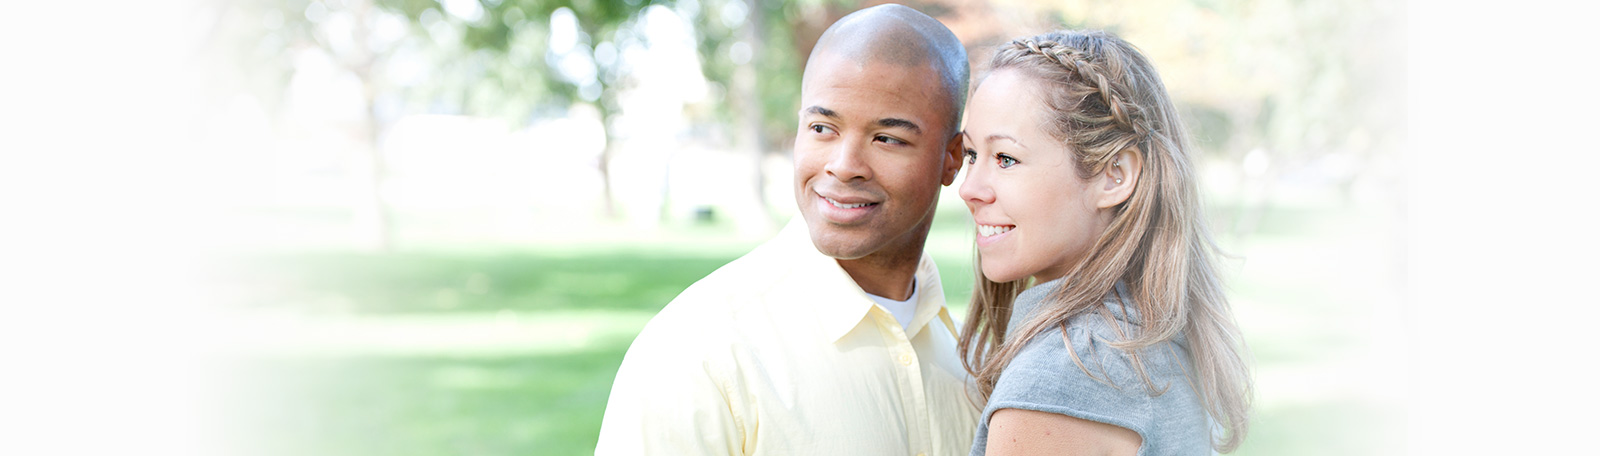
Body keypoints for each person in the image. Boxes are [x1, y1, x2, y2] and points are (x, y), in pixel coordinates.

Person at [595, 4, 978, 455]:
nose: (843, 165)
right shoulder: (699, 352)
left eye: (887, 138)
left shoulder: (970, 360)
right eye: (822, 127)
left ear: (951, 158)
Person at [955, 30, 1253, 455]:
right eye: (971, 155)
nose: (970, 188)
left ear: (1115, 175)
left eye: (1006, 158)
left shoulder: (1064, 378)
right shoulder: (1146, 334)